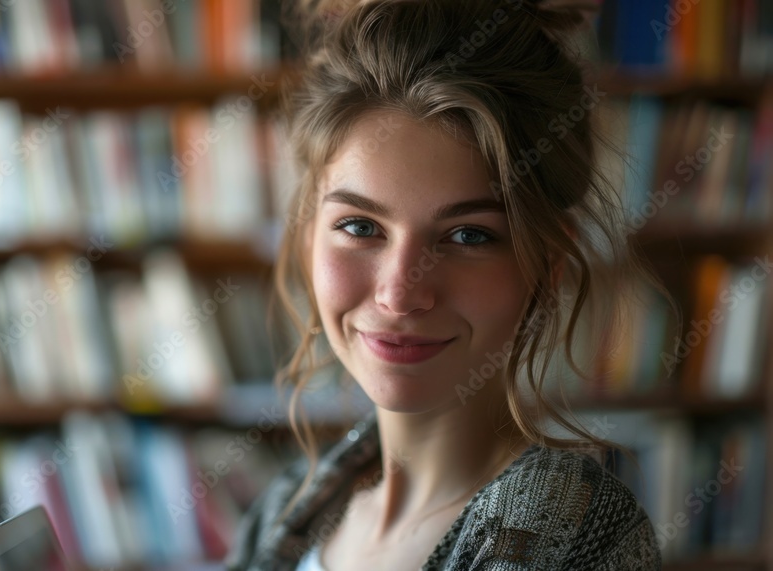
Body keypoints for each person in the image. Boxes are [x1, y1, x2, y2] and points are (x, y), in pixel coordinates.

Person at [224, 0, 674, 570]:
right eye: (359, 227)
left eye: (467, 236)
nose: (400, 292)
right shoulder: (285, 506)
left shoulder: (568, 539)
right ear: (309, 233)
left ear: (549, 261)